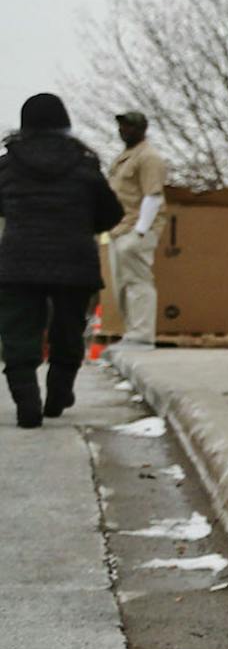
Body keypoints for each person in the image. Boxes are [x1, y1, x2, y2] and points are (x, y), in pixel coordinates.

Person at [0, 95, 124, 427]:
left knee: (18, 331)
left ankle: (26, 400)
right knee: (68, 328)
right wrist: (84, 226)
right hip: (74, 260)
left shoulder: (7, 165)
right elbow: (112, 213)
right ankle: (58, 392)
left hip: (19, 261)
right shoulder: (85, 164)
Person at [107, 109, 166, 346]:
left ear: (141, 129)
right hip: (120, 228)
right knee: (122, 285)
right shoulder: (127, 156)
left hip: (137, 227)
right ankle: (132, 331)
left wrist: (140, 231)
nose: (124, 130)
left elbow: (153, 195)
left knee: (138, 282)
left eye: (129, 126)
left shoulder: (149, 157)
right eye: (121, 126)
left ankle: (141, 334)